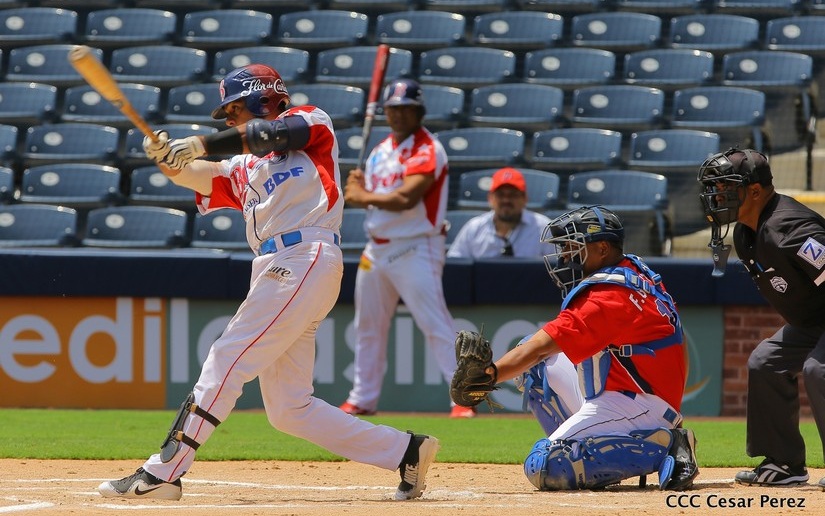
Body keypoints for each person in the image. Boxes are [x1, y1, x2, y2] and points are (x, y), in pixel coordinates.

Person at [96, 64, 439, 501]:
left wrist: (198, 143)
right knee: (289, 409)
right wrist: (167, 158)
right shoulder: (242, 165)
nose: (230, 119)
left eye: (234, 109)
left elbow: (271, 134)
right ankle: (405, 451)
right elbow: (198, 175)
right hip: (278, 265)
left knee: (227, 356)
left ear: (263, 99)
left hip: (305, 254)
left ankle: (164, 471)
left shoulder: (312, 121)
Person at [458, 205, 699, 490]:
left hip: (641, 406)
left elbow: (540, 347)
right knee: (535, 368)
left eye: (573, 247)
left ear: (602, 248)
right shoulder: (632, 269)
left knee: (545, 466)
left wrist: (489, 375)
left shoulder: (610, 296)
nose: (564, 256)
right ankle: (590, 454)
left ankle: (668, 445)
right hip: (620, 392)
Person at [338, 78, 471, 418]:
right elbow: (371, 195)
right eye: (393, 109)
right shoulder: (380, 151)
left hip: (415, 246)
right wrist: (358, 186)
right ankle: (362, 398)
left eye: (406, 109)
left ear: (419, 112)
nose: (399, 114)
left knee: (435, 323)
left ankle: (462, 398)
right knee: (367, 327)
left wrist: (361, 195)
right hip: (376, 248)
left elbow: (406, 198)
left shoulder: (428, 148)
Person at [697, 148, 825, 487]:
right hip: (815, 322)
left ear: (754, 191)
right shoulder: (746, 234)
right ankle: (784, 464)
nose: (717, 196)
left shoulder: (791, 229)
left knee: (819, 369)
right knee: (766, 361)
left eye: (725, 187)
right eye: (715, 188)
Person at [446, 167, 554, 259]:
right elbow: (456, 264)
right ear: (490, 198)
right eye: (500, 195)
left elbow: (557, 267)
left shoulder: (543, 228)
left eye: (513, 195)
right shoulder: (474, 228)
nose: (506, 200)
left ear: (525, 198)